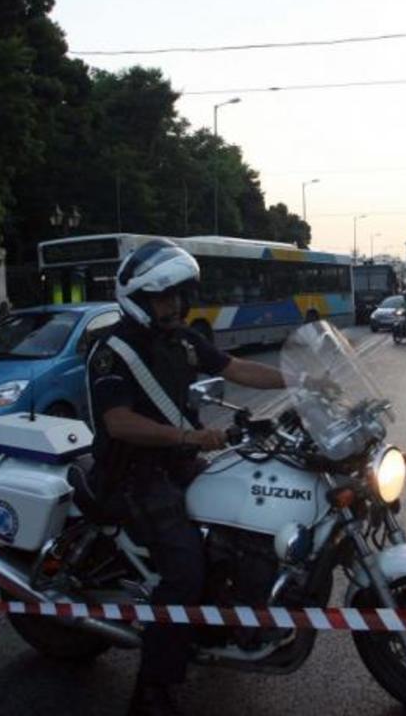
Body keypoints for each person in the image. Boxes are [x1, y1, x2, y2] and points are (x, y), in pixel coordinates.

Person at [86, 239, 287, 716]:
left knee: (243, 513)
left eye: (178, 295)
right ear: (138, 298)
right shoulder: (111, 350)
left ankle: (220, 621)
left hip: (175, 464)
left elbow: (236, 367)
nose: (173, 305)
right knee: (184, 571)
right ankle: (153, 689)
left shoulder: (180, 339)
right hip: (132, 476)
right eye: (163, 297)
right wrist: (190, 439)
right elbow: (119, 423)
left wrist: (298, 380)